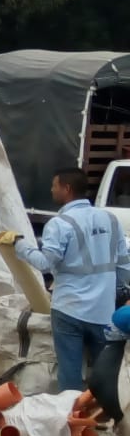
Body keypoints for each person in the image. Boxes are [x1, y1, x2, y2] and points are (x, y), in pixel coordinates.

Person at [12, 167, 130, 393]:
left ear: (66, 189)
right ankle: (103, 410)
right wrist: (113, 291)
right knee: (105, 373)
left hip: (69, 310)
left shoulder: (59, 224)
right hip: (103, 312)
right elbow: (124, 267)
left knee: (70, 373)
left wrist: (20, 246)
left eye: (54, 185)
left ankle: (71, 410)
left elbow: (45, 263)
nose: (51, 190)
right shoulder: (110, 219)